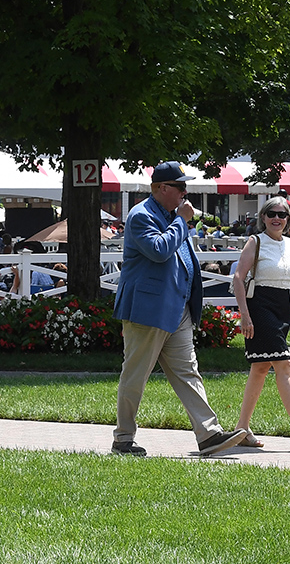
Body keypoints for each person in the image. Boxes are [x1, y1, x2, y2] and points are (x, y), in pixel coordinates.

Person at [112, 161, 245, 457]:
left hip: (177, 309)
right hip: (147, 310)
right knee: (135, 376)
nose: (186, 192)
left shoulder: (172, 216)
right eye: (181, 187)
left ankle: (208, 433)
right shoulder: (141, 216)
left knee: (188, 372)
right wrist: (182, 223)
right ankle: (123, 439)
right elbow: (159, 251)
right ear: (162, 188)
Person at [231, 197, 290, 450]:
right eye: (271, 213)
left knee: (261, 368)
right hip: (260, 306)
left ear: (288, 219)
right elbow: (239, 278)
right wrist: (245, 315)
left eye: (282, 215)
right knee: (284, 364)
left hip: (282, 307)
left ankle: (242, 428)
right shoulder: (256, 242)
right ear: (263, 217)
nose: (276, 218)